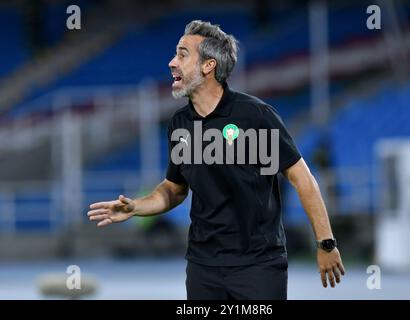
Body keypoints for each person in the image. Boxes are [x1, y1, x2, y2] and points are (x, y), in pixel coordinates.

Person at [87, 20, 345, 300]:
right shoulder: (179, 124)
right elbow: (174, 190)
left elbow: (302, 179)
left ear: (208, 65)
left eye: (183, 54)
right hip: (202, 266)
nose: (172, 62)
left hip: (258, 265)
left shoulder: (255, 117)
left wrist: (326, 243)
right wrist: (137, 207)